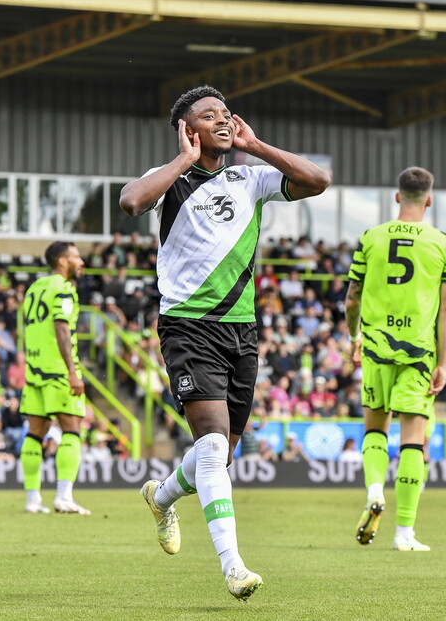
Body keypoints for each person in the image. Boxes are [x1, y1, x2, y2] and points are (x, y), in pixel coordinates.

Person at [121, 85, 329, 600]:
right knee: (212, 447)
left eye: (224, 113)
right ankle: (233, 566)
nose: (221, 120)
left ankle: (162, 496)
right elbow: (130, 202)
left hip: (241, 329)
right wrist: (182, 158)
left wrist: (256, 146)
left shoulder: (250, 177)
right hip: (188, 326)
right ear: (189, 130)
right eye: (207, 116)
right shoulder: (168, 179)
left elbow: (318, 181)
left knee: (220, 454)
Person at [345, 166, 446, 552]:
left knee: (375, 430)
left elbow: (351, 298)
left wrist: (354, 336)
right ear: (429, 199)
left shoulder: (370, 238)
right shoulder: (444, 243)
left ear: (398, 197)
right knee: (413, 442)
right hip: (418, 352)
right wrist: (444, 361)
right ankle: (404, 533)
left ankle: (374, 489)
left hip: (376, 347)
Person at [18, 241, 91, 515]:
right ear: (62, 260)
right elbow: (61, 327)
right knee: (71, 429)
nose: (81, 261)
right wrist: (72, 372)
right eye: (76, 256)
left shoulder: (34, 289)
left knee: (35, 433)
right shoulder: (64, 288)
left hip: (34, 369)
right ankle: (64, 496)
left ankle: (32, 499)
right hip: (58, 370)